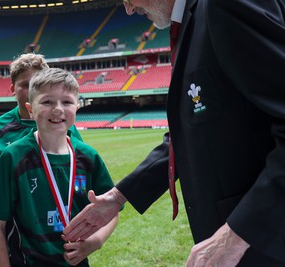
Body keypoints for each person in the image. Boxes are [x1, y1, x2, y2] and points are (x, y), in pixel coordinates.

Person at [62, 0, 285, 266]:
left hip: (263, 243)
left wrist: (237, 234)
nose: (128, 9)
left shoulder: (224, 7)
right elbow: (189, 131)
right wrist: (117, 197)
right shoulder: (196, 19)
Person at [0, 68, 118, 267]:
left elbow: (111, 210)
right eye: (47, 102)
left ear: (77, 107)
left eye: (67, 102)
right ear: (30, 109)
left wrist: (94, 242)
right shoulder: (12, 157)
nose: (58, 109)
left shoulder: (89, 157)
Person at [0, 53, 84, 266]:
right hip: (6, 234)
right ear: (12, 89)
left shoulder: (67, 129)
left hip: (53, 231)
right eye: (25, 84)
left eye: (38, 81)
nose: (32, 87)